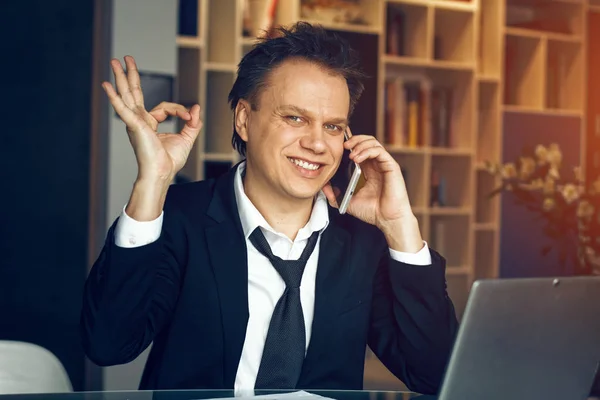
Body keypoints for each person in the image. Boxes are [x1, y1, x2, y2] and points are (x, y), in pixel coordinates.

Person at [80, 22, 458, 396]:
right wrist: (152, 182)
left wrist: (400, 227)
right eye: (295, 118)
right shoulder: (180, 217)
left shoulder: (361, 243)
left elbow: (434, 374)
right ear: (244, 119)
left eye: (332, 127)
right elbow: (109, 346)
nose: (316, 143)